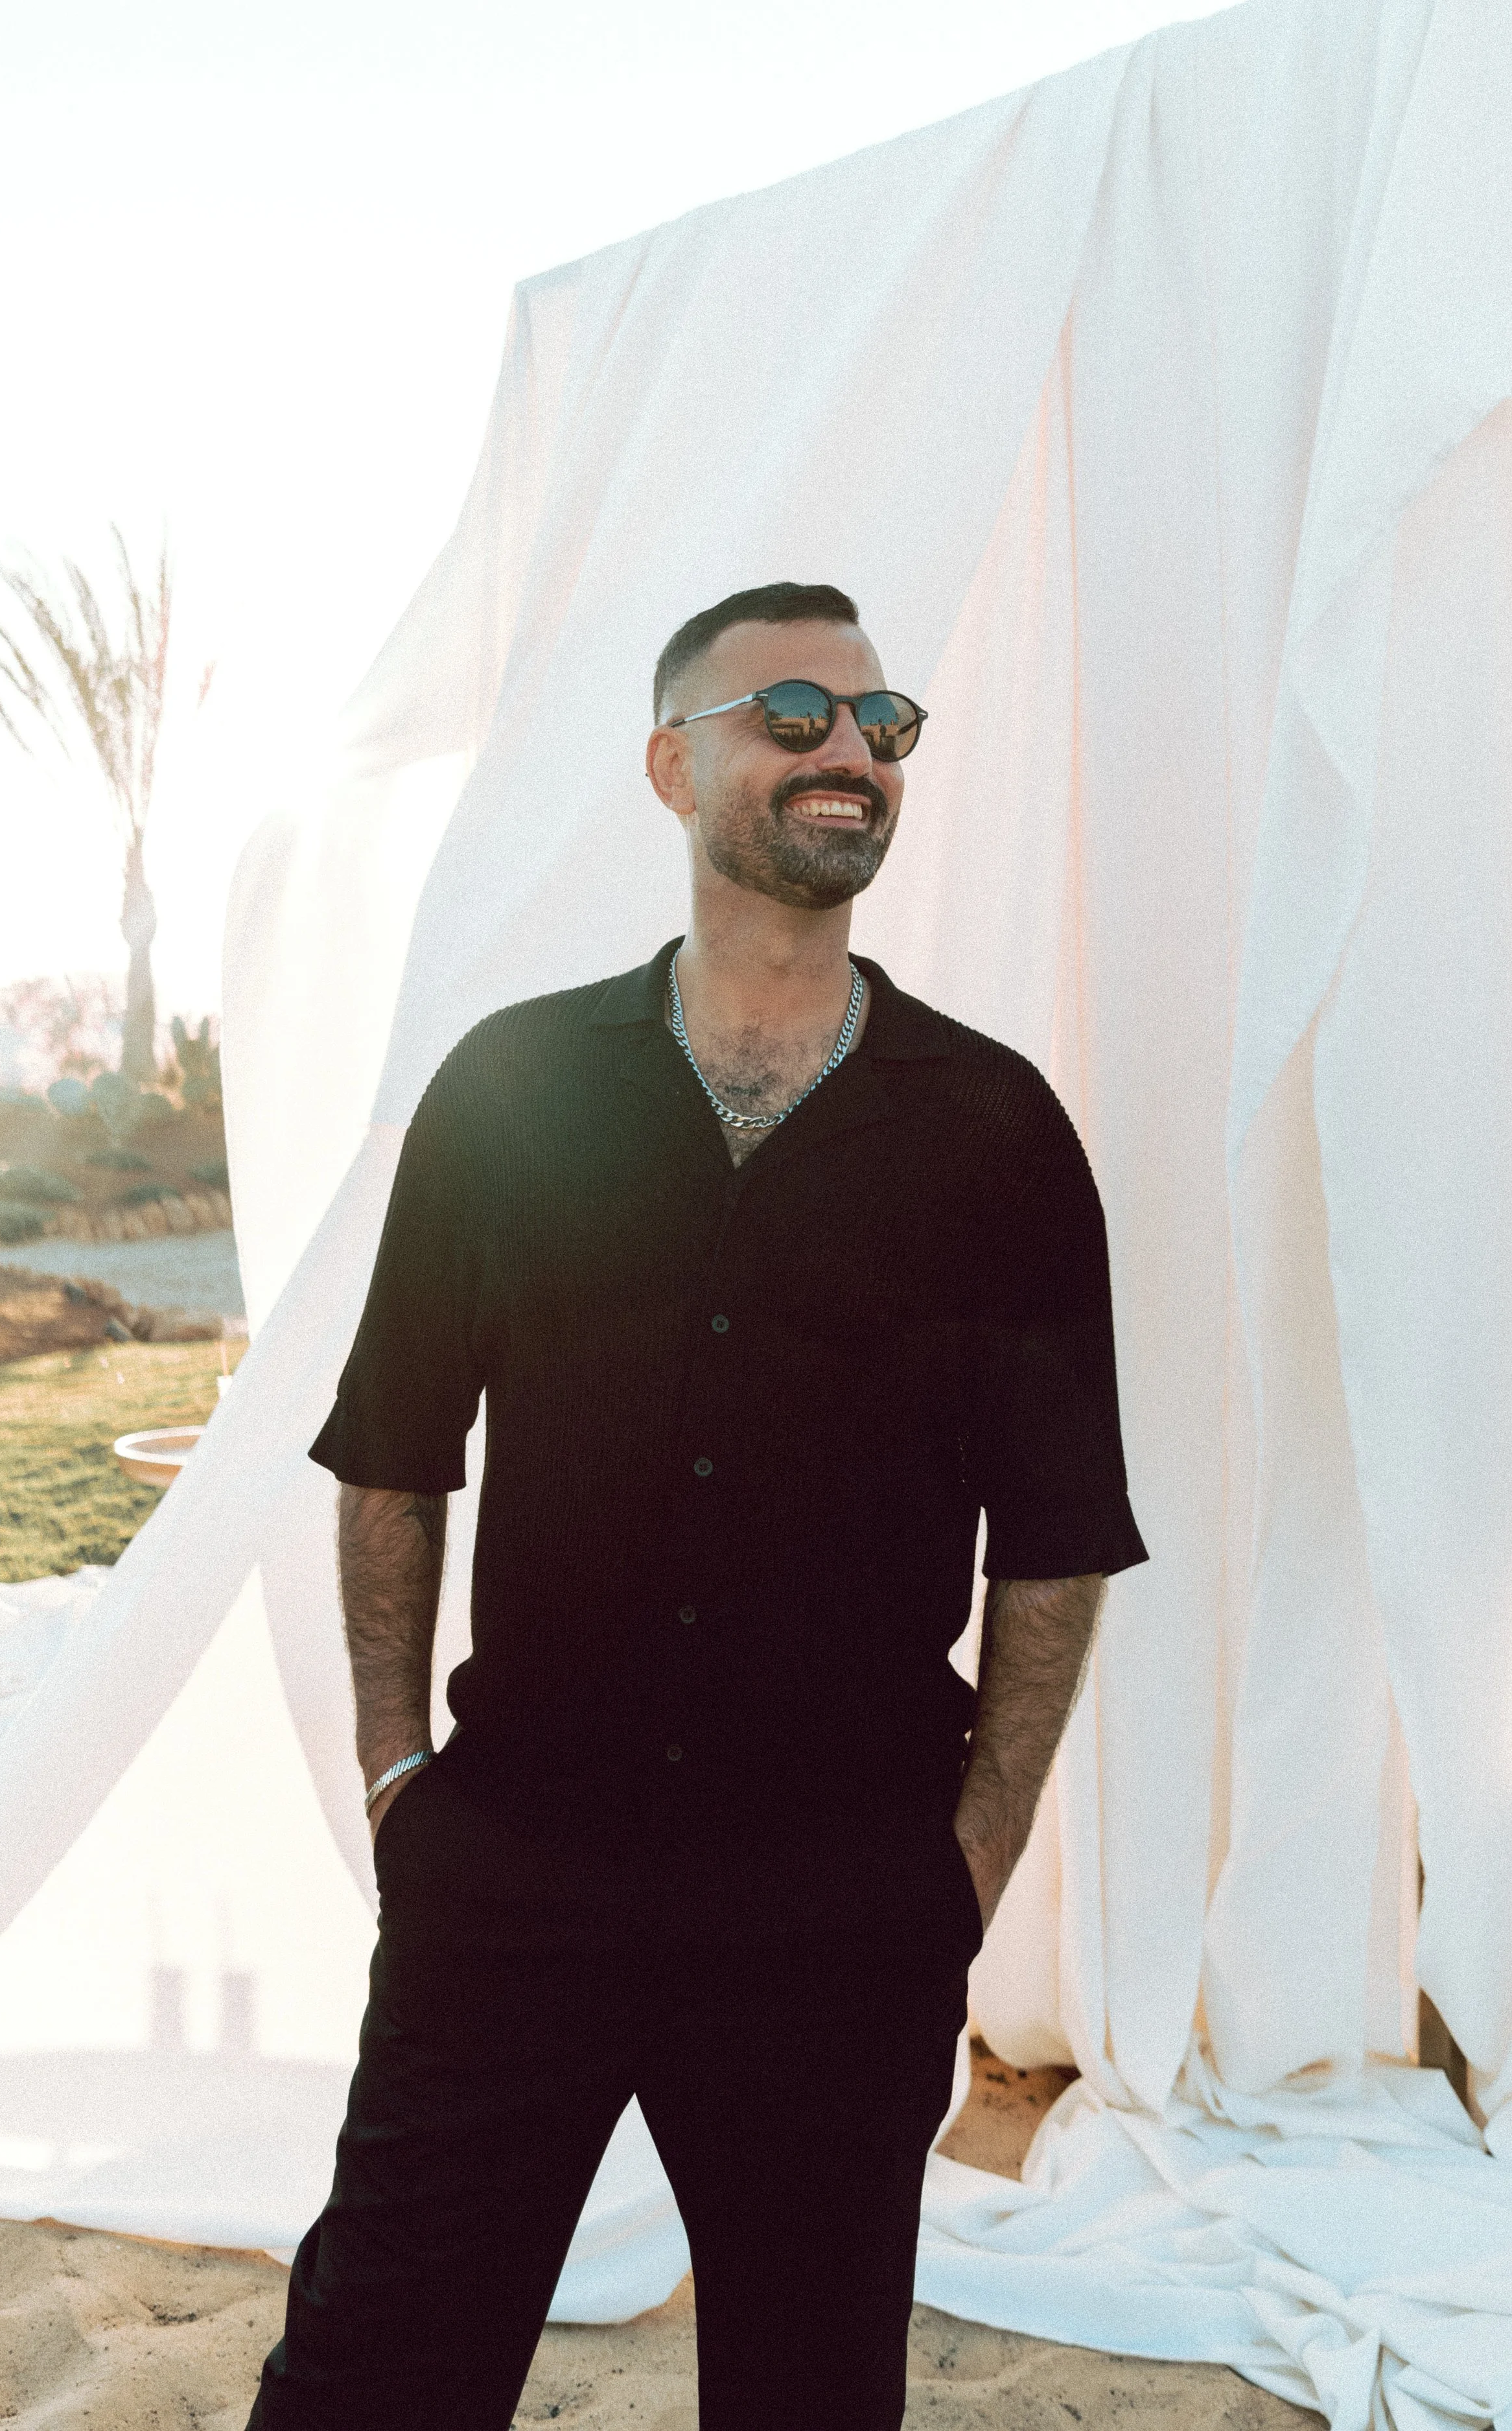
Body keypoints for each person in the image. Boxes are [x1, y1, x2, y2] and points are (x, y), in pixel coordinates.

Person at [247, 580, 1146, 2431]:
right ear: (672, 765)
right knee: (373, 2372)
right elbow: (393, 1449)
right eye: (794, 712)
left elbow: (1056, 1537)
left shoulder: (993, 1130)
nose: (847, 751)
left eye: (879, 723)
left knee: (808, 2393)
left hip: (840, 1887)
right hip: (516, 1861)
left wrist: (960, 1862)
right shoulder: (515, 1088)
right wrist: (397, 1778)